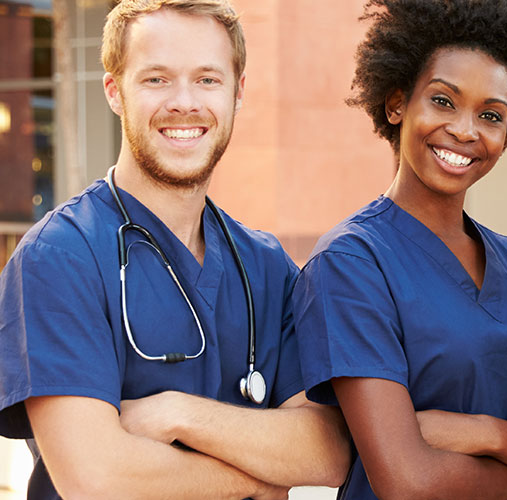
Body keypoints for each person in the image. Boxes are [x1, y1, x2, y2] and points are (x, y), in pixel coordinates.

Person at [0, 1, 351, 498]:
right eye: (157, 79)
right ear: (114, 91)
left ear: (238, 92)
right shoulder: (59, 257)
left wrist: (177, 415)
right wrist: (255, 477)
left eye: (207, 79)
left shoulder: (266, 267)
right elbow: (95, 478)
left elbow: (329, 450)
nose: (184, 102)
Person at [290, 0, 507, 498]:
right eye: (443, 101)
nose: (465, 130)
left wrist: (489, 433)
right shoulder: (352, 264)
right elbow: (405, 481)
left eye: (490, 114)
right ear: (398, 103)